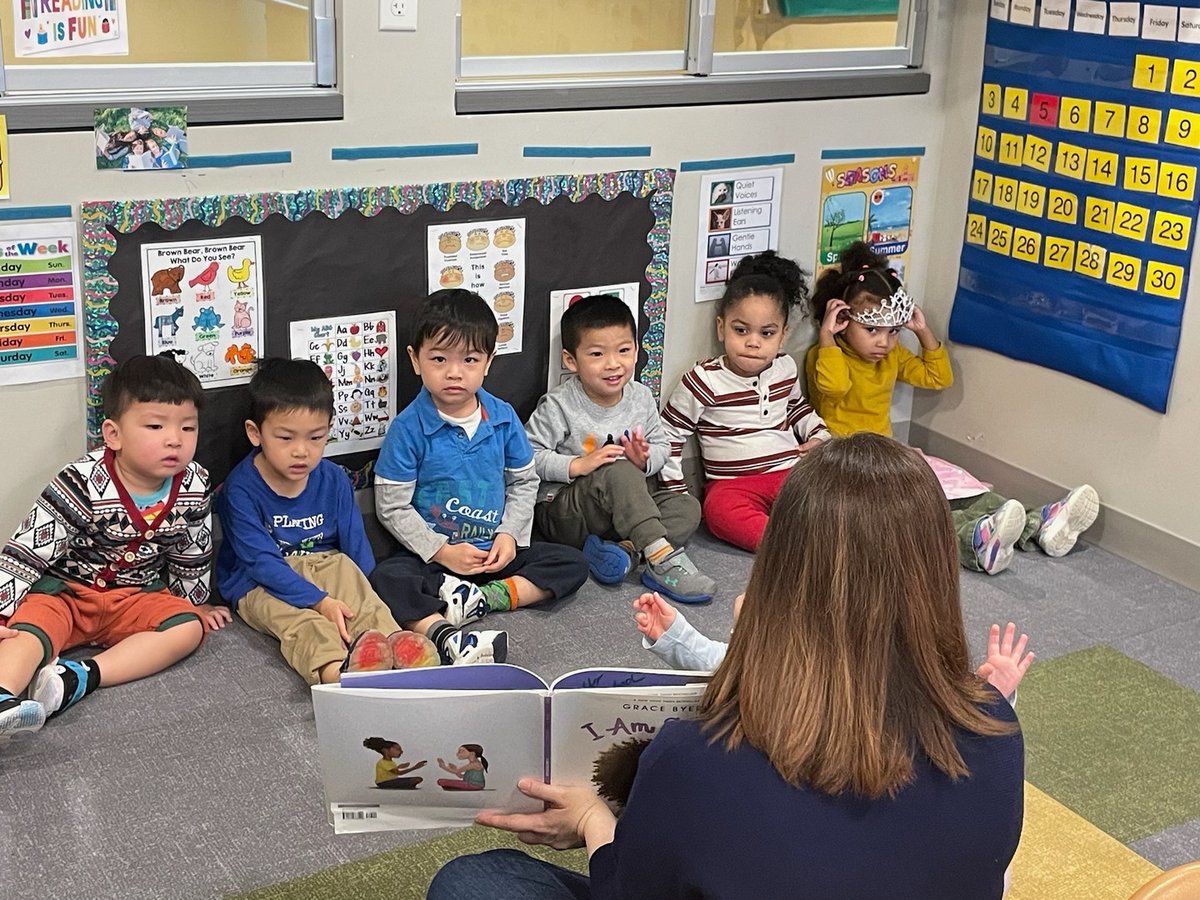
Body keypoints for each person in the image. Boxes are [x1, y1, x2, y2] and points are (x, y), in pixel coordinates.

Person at [428, 434, 1026, 900]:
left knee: (471, 884)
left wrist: (591, 818)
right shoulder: (996, 728)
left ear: (779, 569)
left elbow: (629, 892)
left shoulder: (700, 757)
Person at [805, 241, 1099, 575]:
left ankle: (1040, 524)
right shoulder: (826, 356)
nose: (883, 342)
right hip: (846, 461)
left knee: (952, 482)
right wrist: (828, 338)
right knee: (920, 507)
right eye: (871, 330)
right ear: (843, 321)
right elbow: (834, 387)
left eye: (892, 332)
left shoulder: (891, 357)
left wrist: (923, 332)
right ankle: (973, 541)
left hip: (888, 453)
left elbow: (937, 376)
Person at [0, 354, 226, 739]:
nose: (175, 439)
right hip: (65, 594)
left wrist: (195, 600)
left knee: (188, 628)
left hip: (134, 597)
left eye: (188, 428)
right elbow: (26, 552)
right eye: (155, 426)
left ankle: (79, 678)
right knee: (27, 631)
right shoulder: (82, 481)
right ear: (113, 434)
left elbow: (193, 548)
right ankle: (3, 695)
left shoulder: (194, 483)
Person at [369, 289, 588, 665]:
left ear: (488, 362)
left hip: (495, 554)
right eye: (439, 358)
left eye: (469, 359)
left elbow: (524, 482)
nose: (454, 372)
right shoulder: (408, 428)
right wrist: (442, 551)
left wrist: (508, 535)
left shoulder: (502, 419)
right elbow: (391, 506)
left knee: (572, 564)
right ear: (416, 360)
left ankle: (485, 600)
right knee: (387, 579)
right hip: (437, 561)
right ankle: (445, 635)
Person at [215, 358, 431, 685]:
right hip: (262, 579)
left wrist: (364, 591)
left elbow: (356, 550)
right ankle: (337, 676)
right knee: (303, 623)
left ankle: (392, 647)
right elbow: (260, 563)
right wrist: (319, 601)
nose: (302, 452)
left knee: (357, 591)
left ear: (328, 430)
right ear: (255, 433)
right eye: (286, 439)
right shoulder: (240, 490)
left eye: (315, 438)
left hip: (327, 565)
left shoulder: (334, 480)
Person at [525, 294, 713, 603]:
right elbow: (527, 457)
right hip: (566, 513)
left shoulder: (640, 397)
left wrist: (646, 461)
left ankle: (626, 552)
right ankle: (661, 558)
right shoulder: (559, 405)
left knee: (687, 507)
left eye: (624, 351)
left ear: (636, 352)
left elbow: (662, 445)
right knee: (619, 471)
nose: (613, 364)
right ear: (571, 360)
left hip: (621, 513)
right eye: (597, 354)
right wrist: (578, 466)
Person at [660, 251, 830, 552]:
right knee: (718, 512)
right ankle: (788, 546)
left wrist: (820, 437)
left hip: (789, 474)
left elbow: (798, 409)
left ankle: (823, 537)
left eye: (767, 333)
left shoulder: (785, 367)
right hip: (732, 485)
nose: (753, 342)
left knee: (833, 495)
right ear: (721, 327)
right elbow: (669, 436)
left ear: (782, 336)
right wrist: (676, 493)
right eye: (741, 330)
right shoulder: (703, 379)